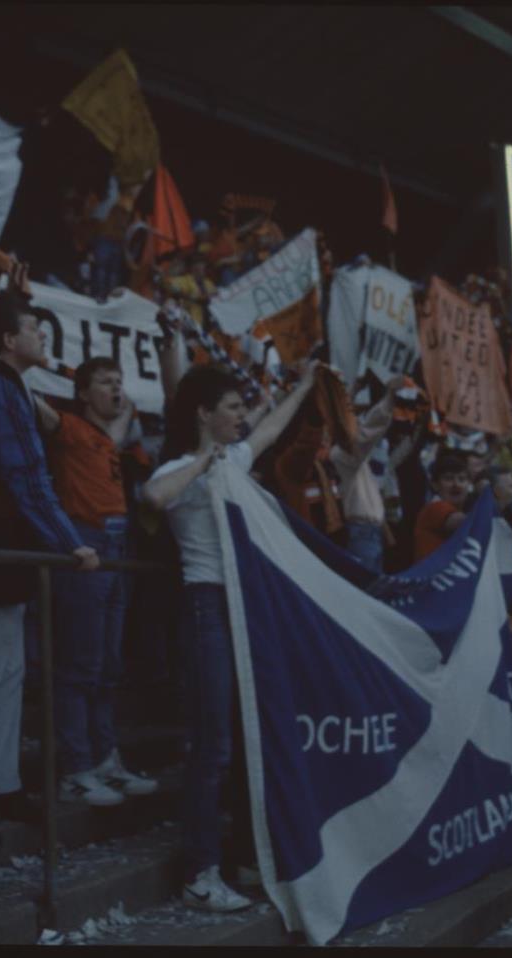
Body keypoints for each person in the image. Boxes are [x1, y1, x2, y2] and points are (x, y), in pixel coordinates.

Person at [142, 361, 319, 913]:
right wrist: (203, 460)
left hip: (243, 608)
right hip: (206, 607)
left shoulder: (237, 458)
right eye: (233, 408)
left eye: (243, 408)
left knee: (245, 741)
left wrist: (307, 385)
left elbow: (270, 430)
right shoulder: (183, 465)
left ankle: (242, 857)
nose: (244, 417)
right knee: (213, 745)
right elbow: (153, 498)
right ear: (204, 413)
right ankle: (200, 869)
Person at [0, 290, 99, 848]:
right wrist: (70, 542)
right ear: (9, 340)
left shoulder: (3, 387)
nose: (42, 335)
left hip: (3, 548)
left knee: (4, 674)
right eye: (34, 327)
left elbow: (28, 477)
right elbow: (26, 477)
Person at [32, 357, 158, 805]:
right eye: (106, 381)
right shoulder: (67, 427)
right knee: (80, 663)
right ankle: (76, 767)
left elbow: (124, 416)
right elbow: (31, 402)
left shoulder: (109, 438)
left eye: (119, 381)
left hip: (117, 546)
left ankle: (105, 758)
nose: (117, 388)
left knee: (107, 664)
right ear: (83, 393)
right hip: (85, 543)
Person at [328, 375, 403, 573]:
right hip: (360, 534)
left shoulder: (354, 458)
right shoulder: (341, 455)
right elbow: (365, 434)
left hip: (370, 533)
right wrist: (389, 398)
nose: (357, 419)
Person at [411, 449, 471, 562]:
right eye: (448, 478)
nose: (456, 484)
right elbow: (465, 523)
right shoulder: (435, 507)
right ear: (435, 485)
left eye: (462, 479)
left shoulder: (457, 509)